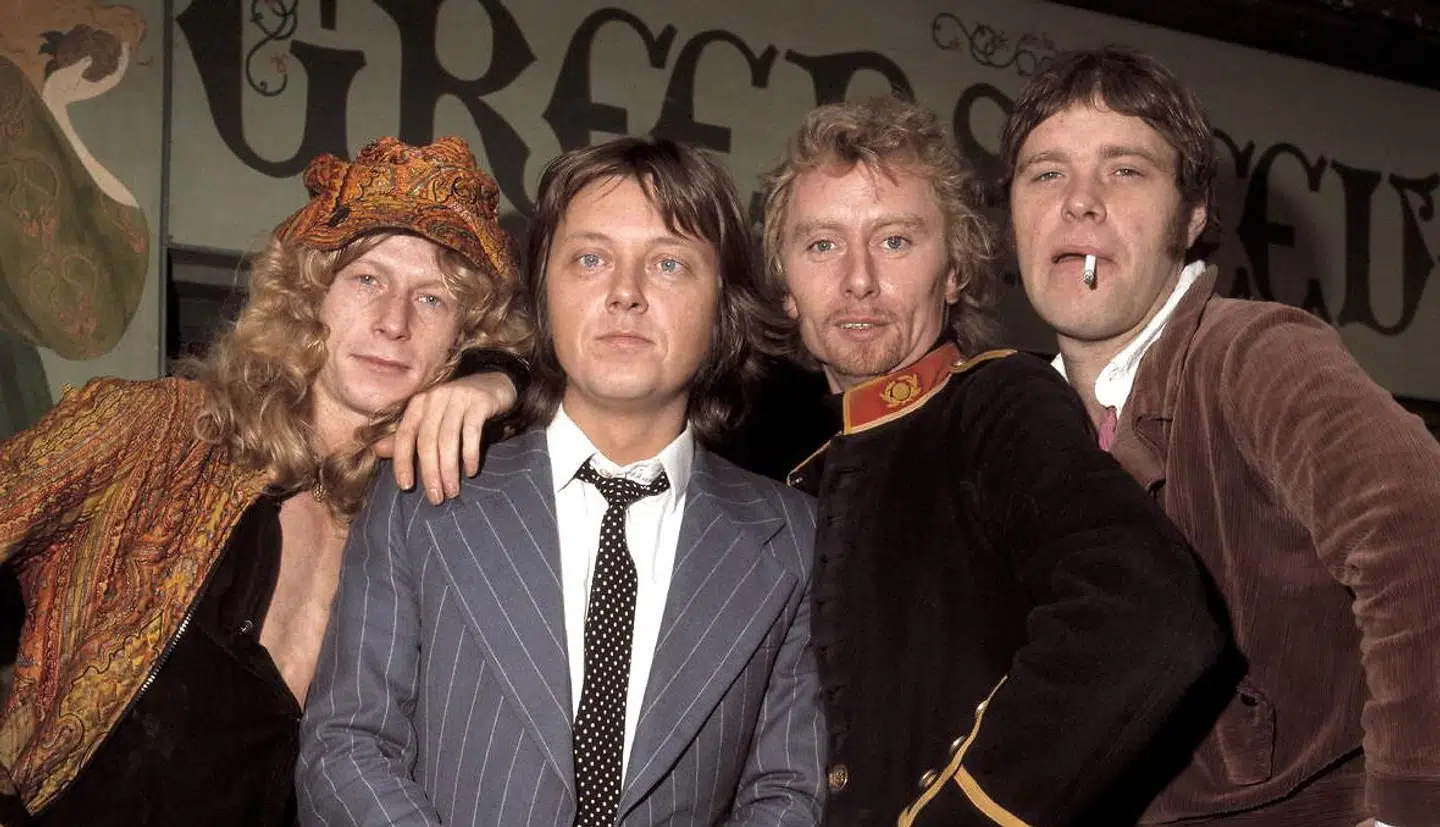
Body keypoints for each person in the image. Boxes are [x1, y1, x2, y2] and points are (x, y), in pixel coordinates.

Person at [0, 135, 531, 826]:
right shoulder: (155, 430)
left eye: (431, 299)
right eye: (367, 279)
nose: (393, 323)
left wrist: (503, 380)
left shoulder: (424, 518)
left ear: (463, 338)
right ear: (311, 293)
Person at [297, 137, 825, 827]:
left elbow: (787, 792)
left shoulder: (794, 540)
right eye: (591, 259)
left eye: (668, 263)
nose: (626, 293)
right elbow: (345, 746)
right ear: (545, 292)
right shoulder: (421, 496)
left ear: (724, 305)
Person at [1001, 47, 1440, 827]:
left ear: (1193, 213)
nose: (1080, 202)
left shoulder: (1254, 352)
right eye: (1046, 173)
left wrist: (1407, 811)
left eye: (1125, 170)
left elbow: (1420, 534)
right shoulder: (1016, 422)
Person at [761, 96, 1226, 826]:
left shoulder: (998, 403)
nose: (857, 280)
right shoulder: (791, 477)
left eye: (895, 241)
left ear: (954, 271)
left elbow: (1147, 615)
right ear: (786, 286)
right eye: (822, 245)